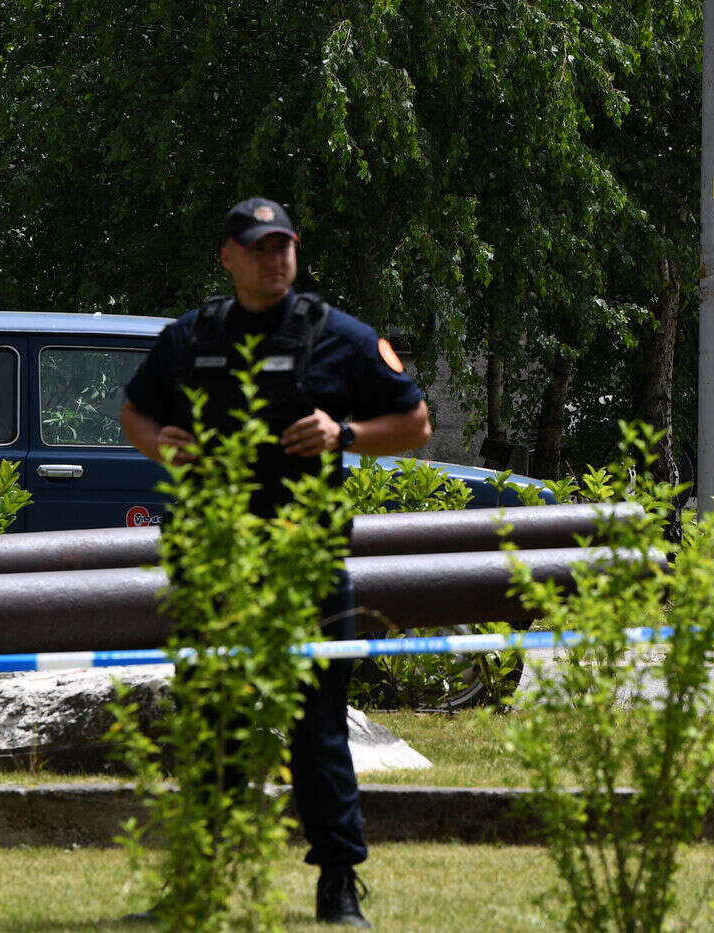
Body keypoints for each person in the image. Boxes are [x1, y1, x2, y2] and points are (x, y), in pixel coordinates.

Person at [120, 197, 432, 927]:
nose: (274, 257)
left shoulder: (340, 337)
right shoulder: (190, 336)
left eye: (283, 245)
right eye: (259, 246)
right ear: (229, 256)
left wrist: (345, 431)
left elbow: (415, 424)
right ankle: (199, 881)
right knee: (210, 723)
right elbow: (135, 411)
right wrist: (159, 444)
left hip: (305, 565)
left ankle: (338, 887)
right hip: (214, 559)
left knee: (317, 726)